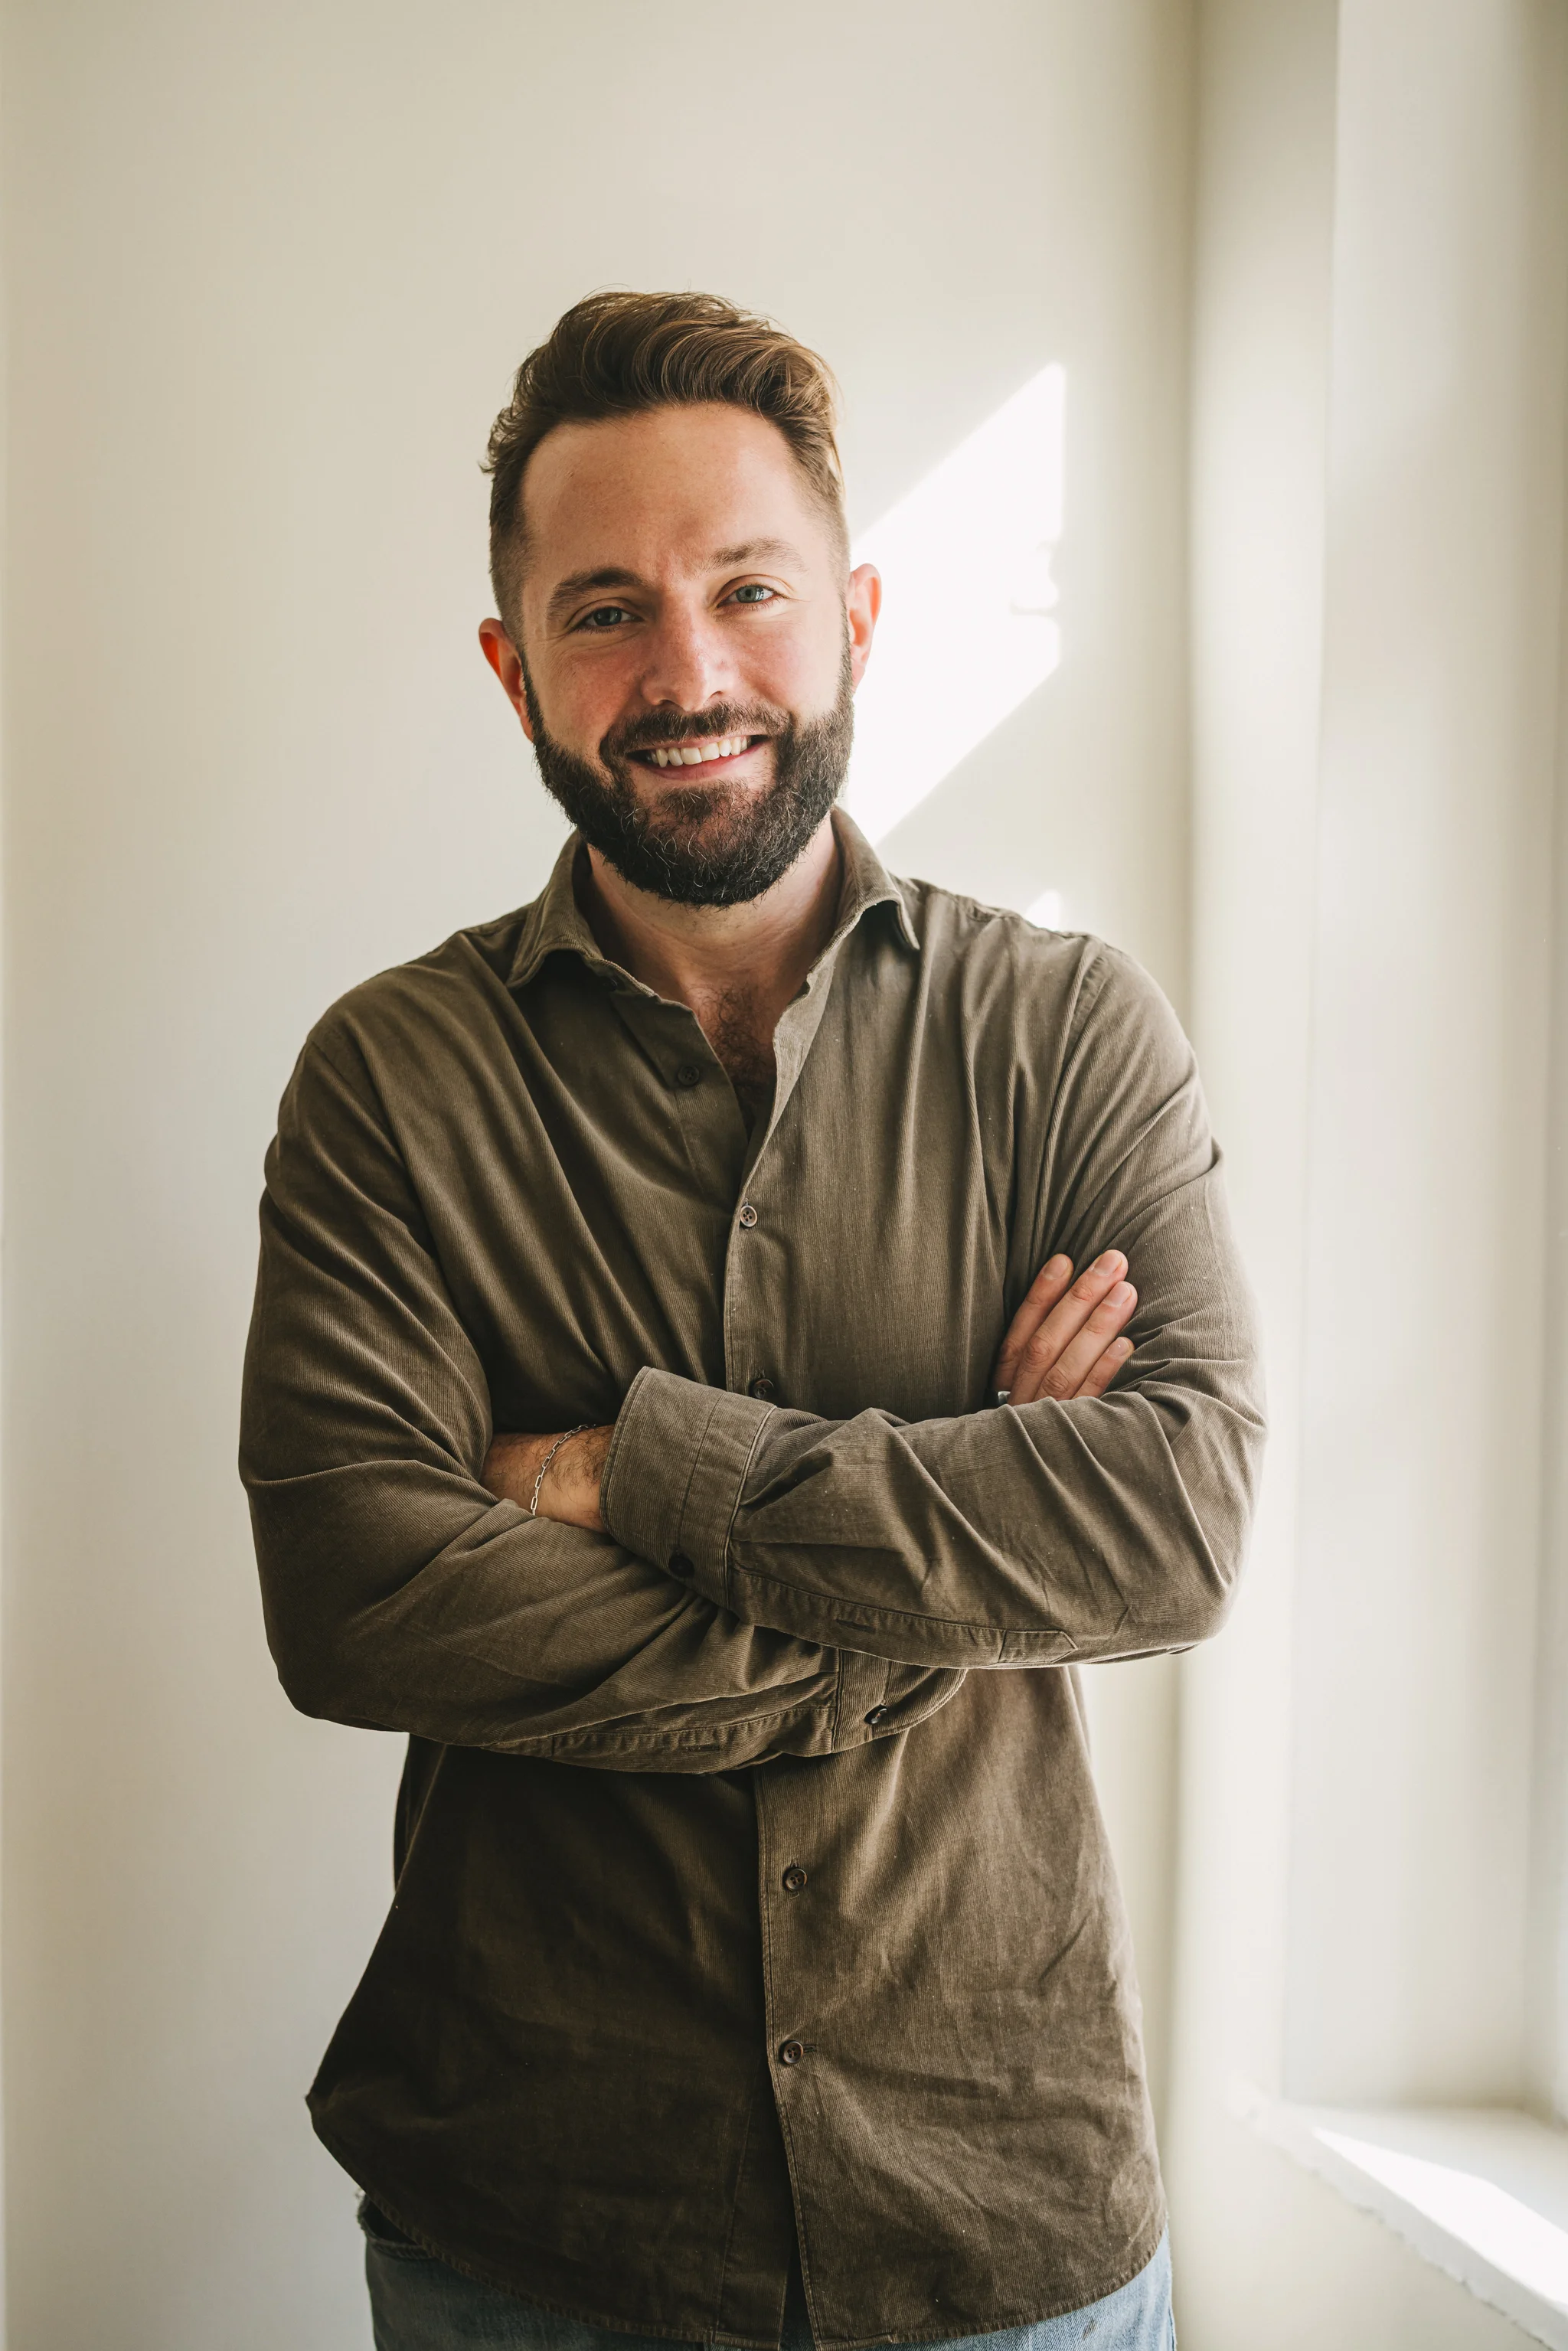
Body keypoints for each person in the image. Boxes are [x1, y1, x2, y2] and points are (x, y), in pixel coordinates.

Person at [240, 289, 1263, 2351]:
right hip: (533, 2230)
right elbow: (360, 1594)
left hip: (1009, 2221)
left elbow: (1170, 1528)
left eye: (748, 588)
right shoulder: (391, 1083)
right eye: (605, 608)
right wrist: (949, 1576)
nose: (687, 669)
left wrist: (634, 1474)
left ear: (860, 611)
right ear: (511, 662)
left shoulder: (1063, 1032)